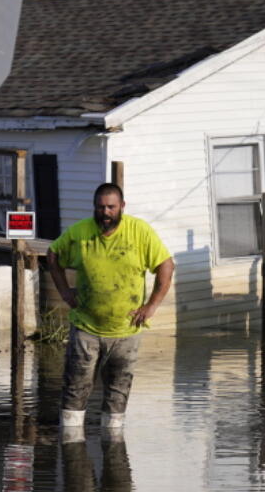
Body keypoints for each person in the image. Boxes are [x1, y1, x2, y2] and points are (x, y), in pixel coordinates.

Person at [46, 183, 174, 430]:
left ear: (122, 207)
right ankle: (72, 447)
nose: (106, 213)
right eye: (101, 207)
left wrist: (151, 306)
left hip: (126, 330)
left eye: (111, 207)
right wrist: (63, 291)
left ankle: (113, 450)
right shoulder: (80, 232)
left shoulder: (139, 232)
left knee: (117, 395)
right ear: (94, 208)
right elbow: (53, 254)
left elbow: (166, 265)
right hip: (86, 327)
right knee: (75, 390)